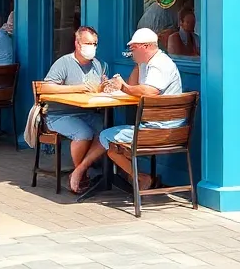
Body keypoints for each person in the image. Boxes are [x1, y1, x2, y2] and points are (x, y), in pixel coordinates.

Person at [69, 28, 181, 193]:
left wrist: (124, 86)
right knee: (113, 146)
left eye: (133, 48)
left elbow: (149, 91)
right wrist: (137, 65)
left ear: (146, 46)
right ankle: (141, 178)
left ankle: (79, 170)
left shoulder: (159, 65)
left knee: (105, 136)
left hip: (158, 132)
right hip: (165, 129)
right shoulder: (148, 63)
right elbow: (134, 86)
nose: (130, 51)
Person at [39, 26, 107, 193]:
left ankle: (79, 172)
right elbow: (46, 88)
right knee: (83, 133)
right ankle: (81, 175)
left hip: (87, 112)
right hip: (59, 115)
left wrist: (105, 86)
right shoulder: (64, 62)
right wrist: (77, 88)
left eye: (94, 44)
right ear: (77, 43)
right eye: (87, 43)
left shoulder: (97, 65)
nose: (91, 47)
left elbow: (96, 88)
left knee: (107, 133)